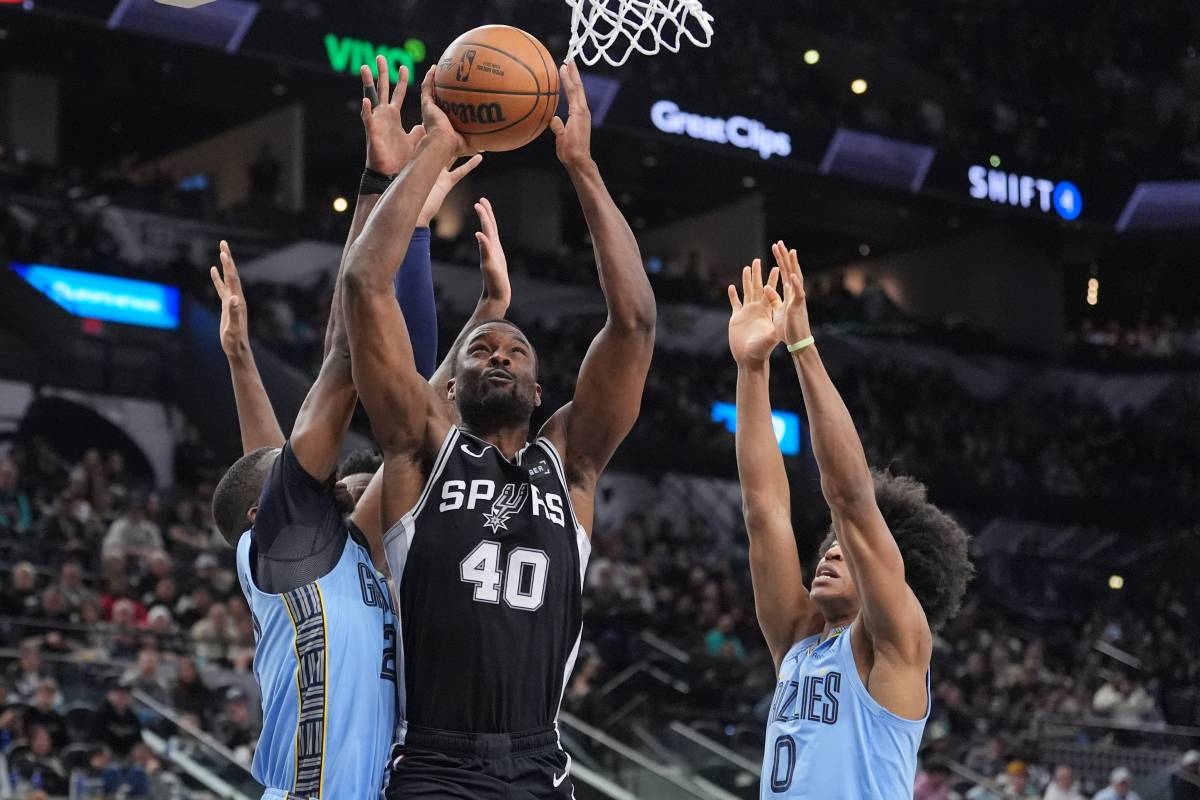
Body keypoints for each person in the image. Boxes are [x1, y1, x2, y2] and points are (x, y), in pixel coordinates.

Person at [341, 61, 654, 799]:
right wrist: (431, 153)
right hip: (436, 759)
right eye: (482, 348)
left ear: (540, 392)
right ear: (449, 386)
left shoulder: (570, 463)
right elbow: (364, 284)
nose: (500, 354)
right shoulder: (421, 448)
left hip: (539, 760)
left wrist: (582, 168)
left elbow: (635, 323)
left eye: (515, 349)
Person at [208, 57, 499, 800]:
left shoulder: (342, 557)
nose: (326, 471)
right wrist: (388, 183)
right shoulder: (294, 549)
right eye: (293, 475)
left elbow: (411, 396)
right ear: (265, 514)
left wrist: (241, 358)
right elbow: (347, 348)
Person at [725, 245, 972, 800]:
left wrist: (802, 347)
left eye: (845, 548)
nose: (831, 552)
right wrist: (751, 369)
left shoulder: (894, 644)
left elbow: (851, 499)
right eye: (828, 546)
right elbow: (764, 511)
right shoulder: (799, 639)